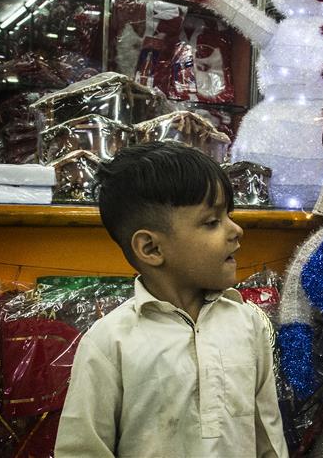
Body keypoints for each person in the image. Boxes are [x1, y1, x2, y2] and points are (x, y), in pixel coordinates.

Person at [54, 141, 288, 458]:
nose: (236, 230)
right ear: (151, 249)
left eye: (228, 215)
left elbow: (268, 438)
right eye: (211, 221)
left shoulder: (250, 324)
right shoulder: (110, 342)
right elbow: (82, 450)